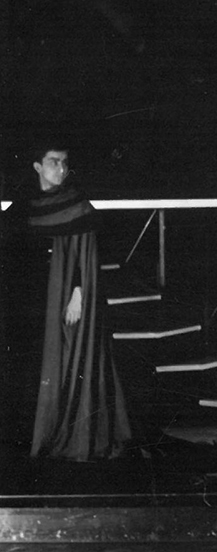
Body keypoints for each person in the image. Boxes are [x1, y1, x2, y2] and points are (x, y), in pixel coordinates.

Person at [6, 142, 132, 460]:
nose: (61, 169)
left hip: (66, 296)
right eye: (54, 162)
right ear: (37, 167)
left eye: (64, 163)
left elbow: (86, 256)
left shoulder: (76, 203)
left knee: (66, 359)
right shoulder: (25, 203)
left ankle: (66, 432)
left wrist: (78, 295)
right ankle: (32, 433)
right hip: (32, 298)